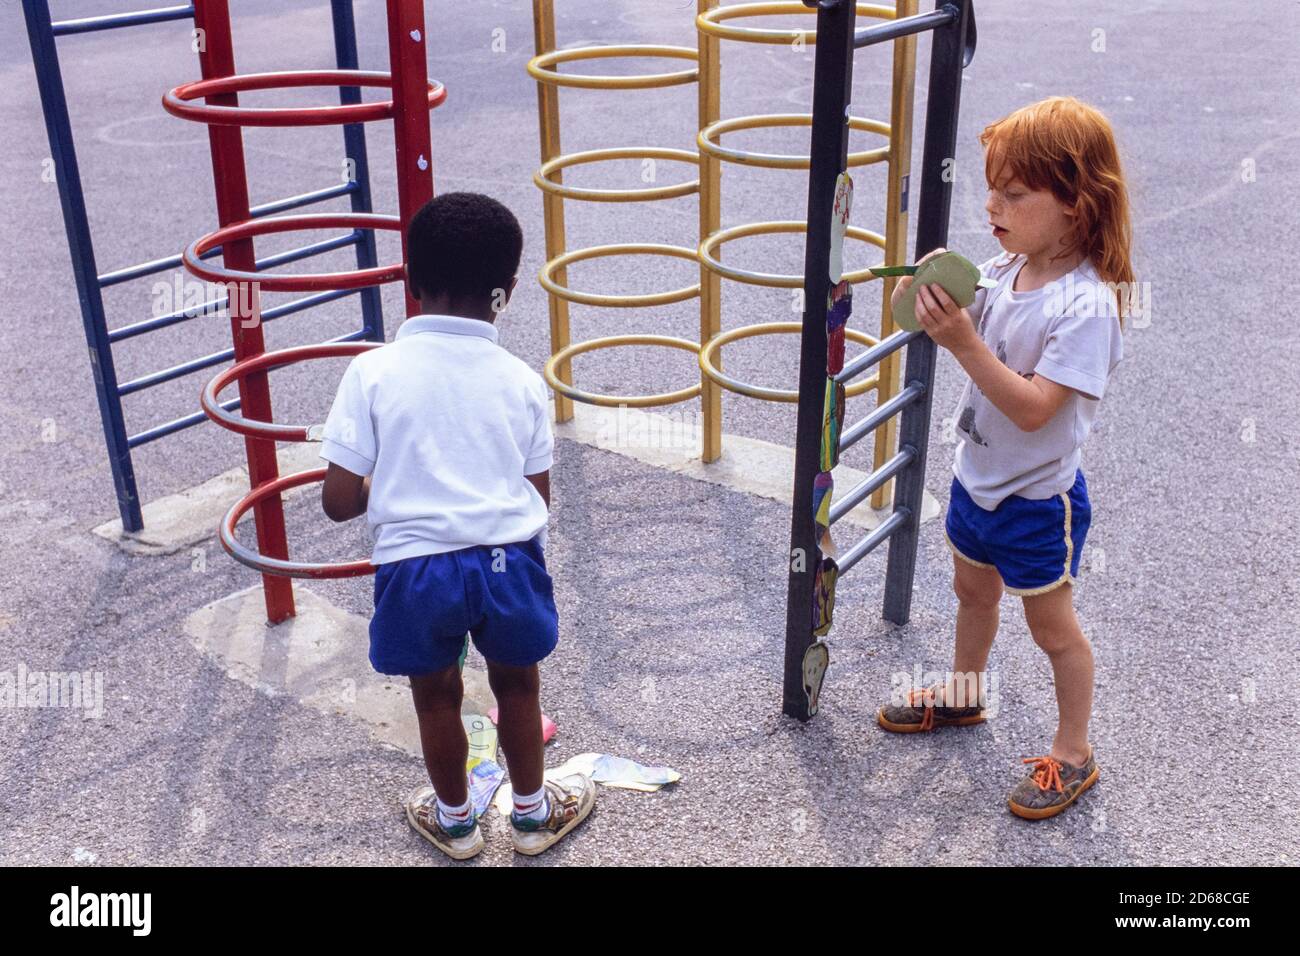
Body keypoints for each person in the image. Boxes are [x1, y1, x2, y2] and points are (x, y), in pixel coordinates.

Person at [876, 96, 1133, 820]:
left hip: (1034, 500)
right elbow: (924, 322)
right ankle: (964, 694)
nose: (993, 203)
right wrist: (919, 290)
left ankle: (1075, 752)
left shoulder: (1085, 308)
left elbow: (1032, 407)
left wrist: (962, 341)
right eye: (992, 186)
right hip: (976, 479)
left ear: (1077, 204)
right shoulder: (1005, 266)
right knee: (972, 593)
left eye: (1015, 193)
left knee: (1053, 631)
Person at [318, 191, 595, 858]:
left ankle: (456, 823)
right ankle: (531, 819)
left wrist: (399, 484)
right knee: (519, 685)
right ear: (508, 291)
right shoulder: (523, 381)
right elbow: (538, 498)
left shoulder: (373, 372)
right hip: (507, 562)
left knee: (435, 695)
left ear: (409, 279)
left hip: (417, 569)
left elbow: (338, 500)